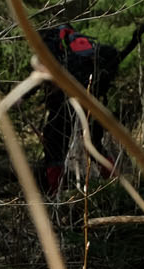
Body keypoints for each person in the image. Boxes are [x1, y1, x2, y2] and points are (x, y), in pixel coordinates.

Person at [39, 23, 121, 194]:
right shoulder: (84, 47)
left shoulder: (51, 46)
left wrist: (21, 97)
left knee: (54, 148)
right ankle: (116, 186)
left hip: (64, 105)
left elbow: (41, 75)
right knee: (94, 146)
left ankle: (55, 195)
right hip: (92, 100)